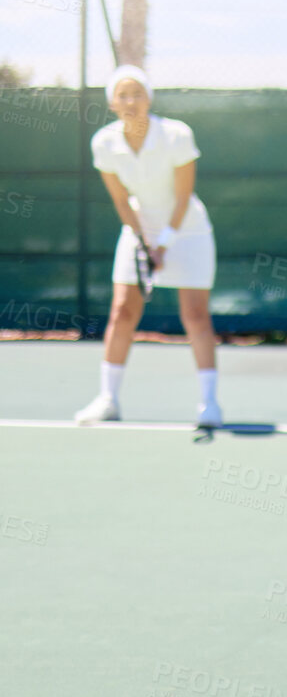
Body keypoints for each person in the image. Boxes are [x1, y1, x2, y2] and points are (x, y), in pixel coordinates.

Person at [74, 65, 223, 429]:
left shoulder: (176, 135)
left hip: (187, 232)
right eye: (122, 95)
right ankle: (108, 400)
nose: (130, 102)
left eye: (137, 94)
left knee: (195, 315)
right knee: (123, 310)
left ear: (149, 99)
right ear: (112, 103)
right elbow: (122, 202)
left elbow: (184, 196)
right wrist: (144, 242)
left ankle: (210, 404)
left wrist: (165, 243)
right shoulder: (104, 143)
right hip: (139, 229)